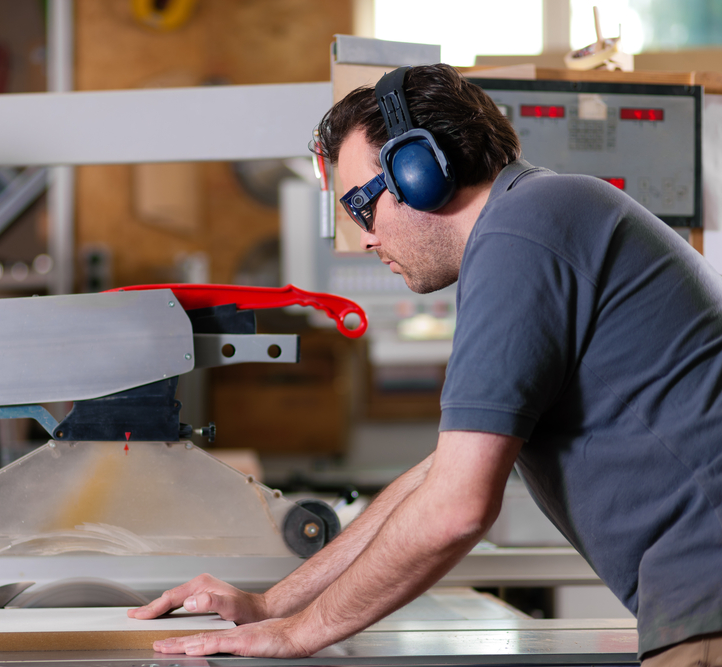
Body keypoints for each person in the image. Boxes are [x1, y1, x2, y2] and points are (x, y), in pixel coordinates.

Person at [128, 63, 722, 665]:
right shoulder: (536, 219)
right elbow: (441, 475)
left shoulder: (524, 232)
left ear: (421, 170)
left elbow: (456, 509)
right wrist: (274, 605)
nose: (364, 237)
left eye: (361, 207)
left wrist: (299, 634)